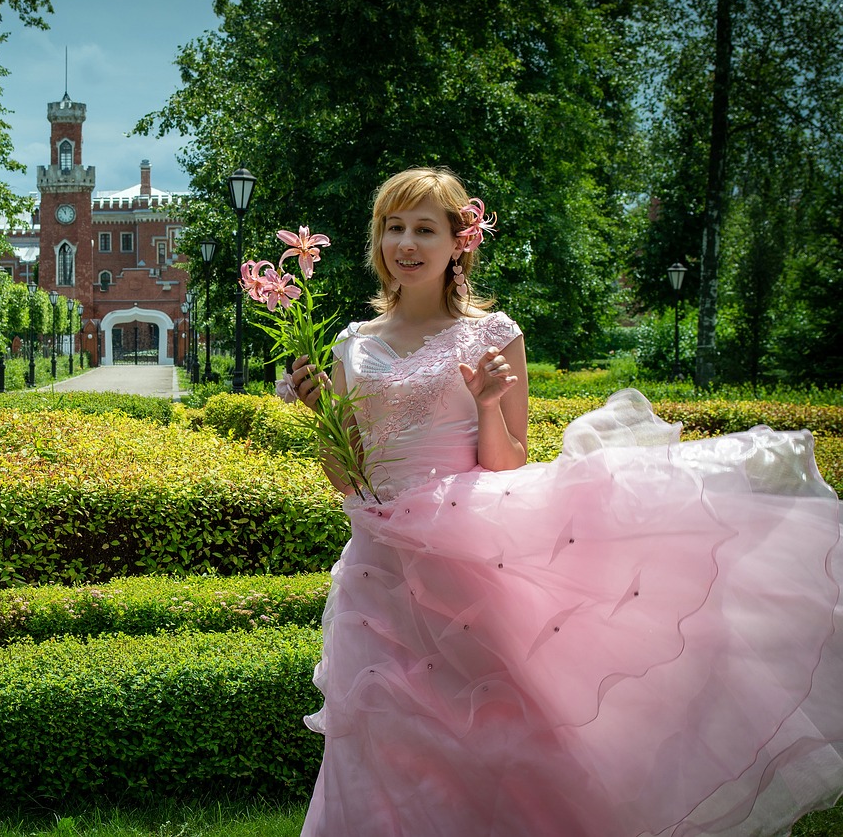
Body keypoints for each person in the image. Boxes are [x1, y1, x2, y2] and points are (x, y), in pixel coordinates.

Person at [287, 166, 843, 836]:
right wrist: (321, 413)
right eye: (393, 227)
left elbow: (507, 458)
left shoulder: (494, 334)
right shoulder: (351, 344)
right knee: (381, 726)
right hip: (378, 556)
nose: (406, 242)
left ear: (459, 242)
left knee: (495, 725)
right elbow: (349, 478)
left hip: (464, 544)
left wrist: (488, 402)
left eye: (424, 228)